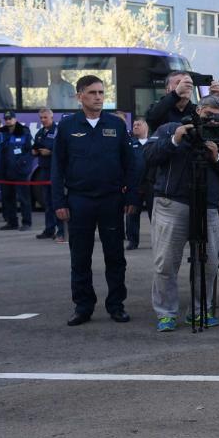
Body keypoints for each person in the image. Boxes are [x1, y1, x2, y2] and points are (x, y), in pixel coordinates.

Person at [144, 96, 219, 332]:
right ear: (198, 110)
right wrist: (175, 140)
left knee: (209, 263)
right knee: (166, 262)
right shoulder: (171, 128)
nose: (213, 121)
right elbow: (148, 156)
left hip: (208, 206)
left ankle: (200, 311)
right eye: (209, 115)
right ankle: (166, 313)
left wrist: (217, 157)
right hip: (172, 203)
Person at [51, 75, 138, 327]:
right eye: (92, 92)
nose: (98, 97)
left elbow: (130, 165)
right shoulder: (67, 127)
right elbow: (57, 167)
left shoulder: (116, 125)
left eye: (101, 92)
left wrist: (131, 196)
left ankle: (116, 305)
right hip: (79, 201)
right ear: (80, 96)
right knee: (80, 258)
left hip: (112, 200)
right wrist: (59, 202)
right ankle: (83, 306)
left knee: (115, 257)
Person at [0, 110, 34, 231]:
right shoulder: (2, 132)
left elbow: (30, 151)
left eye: (10, 118)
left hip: (20, 171)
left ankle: (26, 223)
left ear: (15, 119)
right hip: (6, 171)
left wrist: (22, 165)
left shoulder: (24, 131)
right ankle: (12, 222)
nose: (8, 120)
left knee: (24, 198)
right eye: (6, 119)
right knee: (8, 198)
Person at [32, 108, 63, 240]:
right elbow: (35, 146)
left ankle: (61, 230)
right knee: (48, 203)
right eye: (41, 118)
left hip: (55, 170)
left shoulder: (58, 131)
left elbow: (62, 149)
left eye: (45, 117)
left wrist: (50, 152)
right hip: (44, 170)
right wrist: (34, 152)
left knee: (58, 202)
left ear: (52, 117)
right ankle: (49, 229)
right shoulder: (40, 132)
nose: (43, 120)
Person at [125, 119, 152, 250]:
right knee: (132, 214)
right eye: (134, 125)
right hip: (134, 185)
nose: (135, 127)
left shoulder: (153, 142)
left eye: (138, 125)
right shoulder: (129, 143)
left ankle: (158, 241)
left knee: (155, 215)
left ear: (146, 127)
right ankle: (132, 241)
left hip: (151, 184)